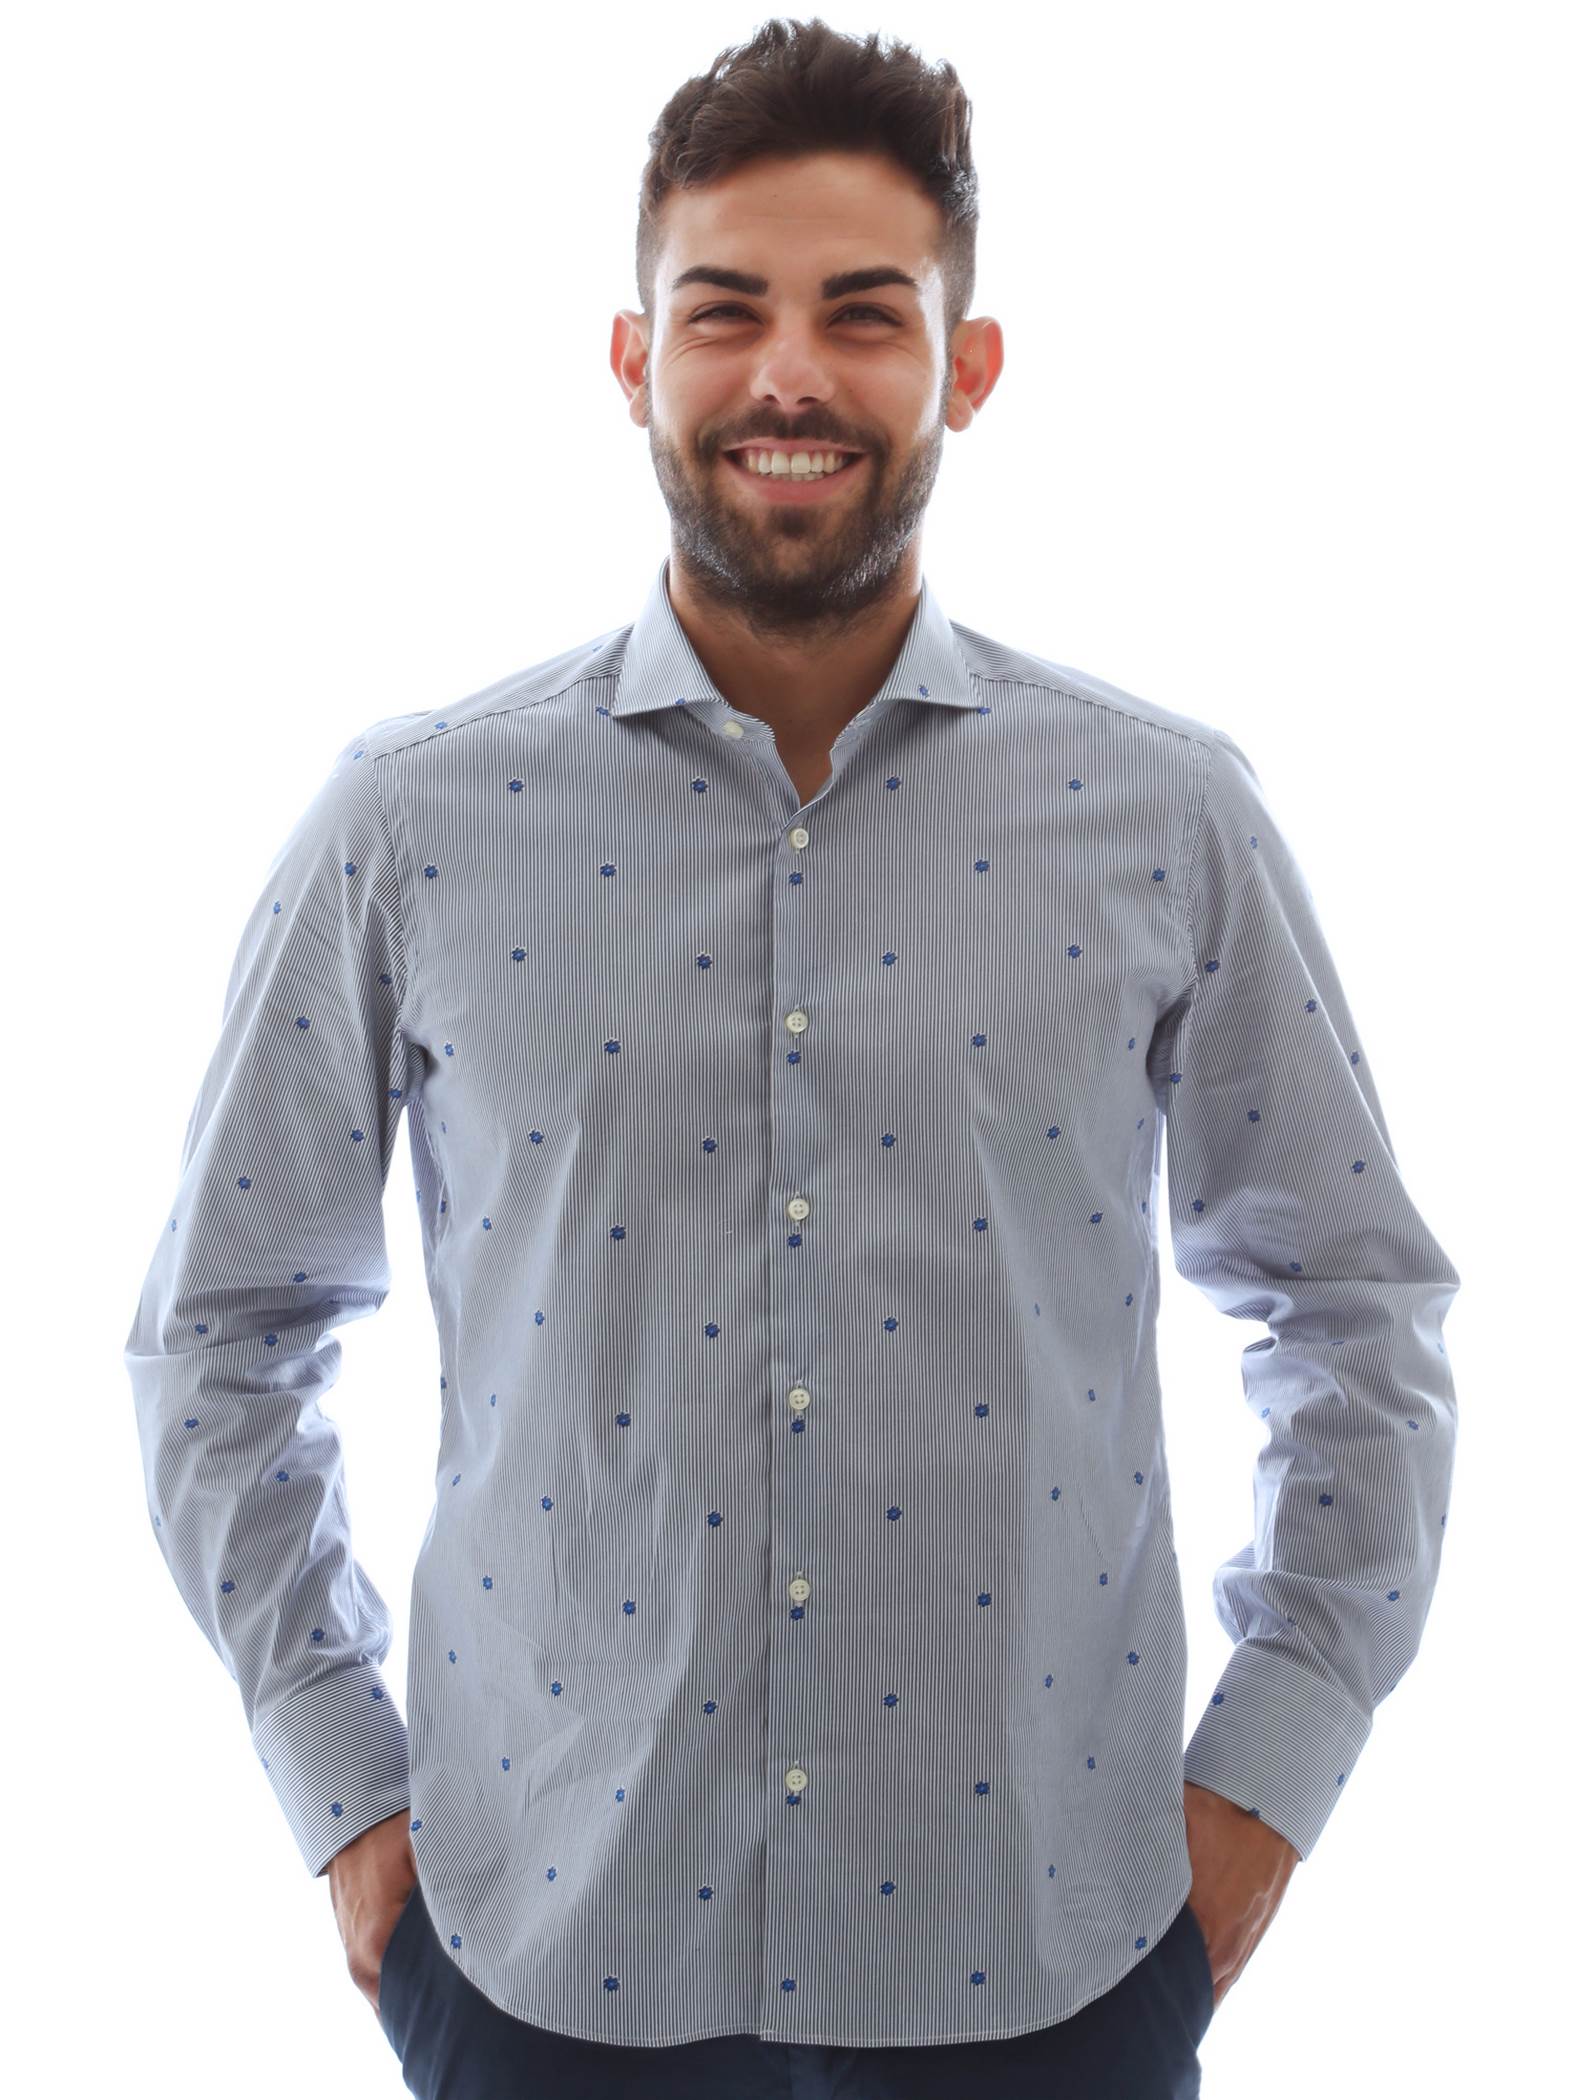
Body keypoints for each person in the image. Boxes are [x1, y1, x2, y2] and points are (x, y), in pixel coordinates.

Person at [123, 18, 1461, 2099]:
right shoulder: (408, 821)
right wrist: (345, 1790)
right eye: (724, 310)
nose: (788, 376)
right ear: (631, 358)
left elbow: (1354, 1304)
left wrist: (1268, 1778)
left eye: (863, 312)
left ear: (967, 364)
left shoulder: (1171, 815)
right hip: (544, 1956)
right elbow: (222, 1331)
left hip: (1052, 1955)